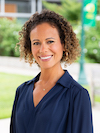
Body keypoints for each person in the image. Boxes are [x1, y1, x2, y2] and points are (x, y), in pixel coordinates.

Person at [10, 9, 93, 133]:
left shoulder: (77, 95)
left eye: (50, 41)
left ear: (63, 44)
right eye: (36, 43)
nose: (43, 49)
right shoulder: (21, 91)